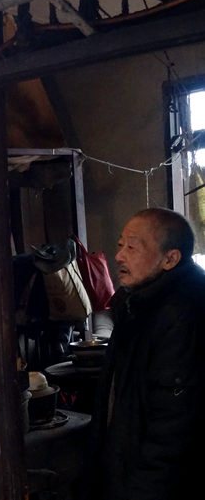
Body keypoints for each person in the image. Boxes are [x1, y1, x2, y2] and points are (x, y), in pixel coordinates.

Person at [82, 208, 205, 500]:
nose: (119, 256)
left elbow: (175, 426)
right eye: (120, 245)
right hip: (129, 471)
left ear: (170, 259)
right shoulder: (136, 303)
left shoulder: (184, 313)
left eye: (132, 247)